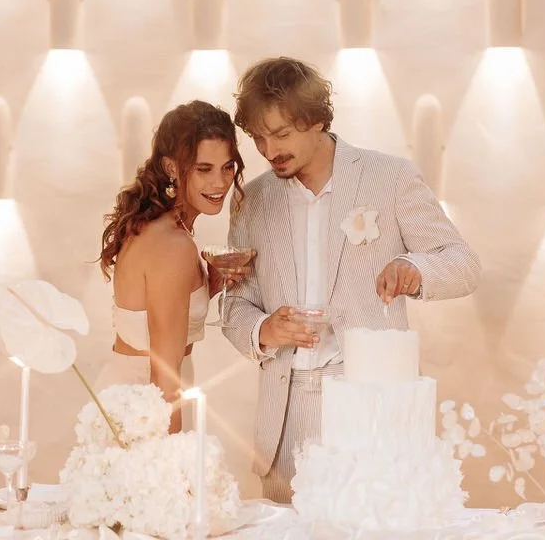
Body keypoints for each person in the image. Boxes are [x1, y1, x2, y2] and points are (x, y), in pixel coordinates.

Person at [222, 57, 481, 502]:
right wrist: (263, 328)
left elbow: (462, 262)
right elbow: (234, 303)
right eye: (259, 138)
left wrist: (415, 269)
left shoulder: (391, 178)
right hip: (285, 421)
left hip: (371, 408)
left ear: (317, 119)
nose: (268, 150)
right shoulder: (253, 200)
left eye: (281, 134)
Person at [97, 100, 246, 433]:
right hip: (148, 404)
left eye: (227, 167)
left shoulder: (161, 228)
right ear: (171, 168)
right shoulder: (174, 246)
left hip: (137, 393)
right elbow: (164, 374)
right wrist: (171, 465)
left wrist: (209, 284)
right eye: (203, 169)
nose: (220, 182)